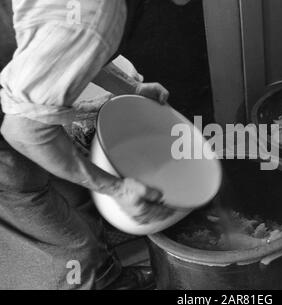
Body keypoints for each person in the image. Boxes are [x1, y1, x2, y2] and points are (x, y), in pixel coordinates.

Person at [0, 0, 188, 289]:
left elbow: (66, 52)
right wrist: (117, 188)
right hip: (13, 132)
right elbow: (23, 133)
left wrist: (132, 89)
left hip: (19, 102)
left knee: (78, 201)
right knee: (72, 247)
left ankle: (110, 280)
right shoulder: (95, 13)